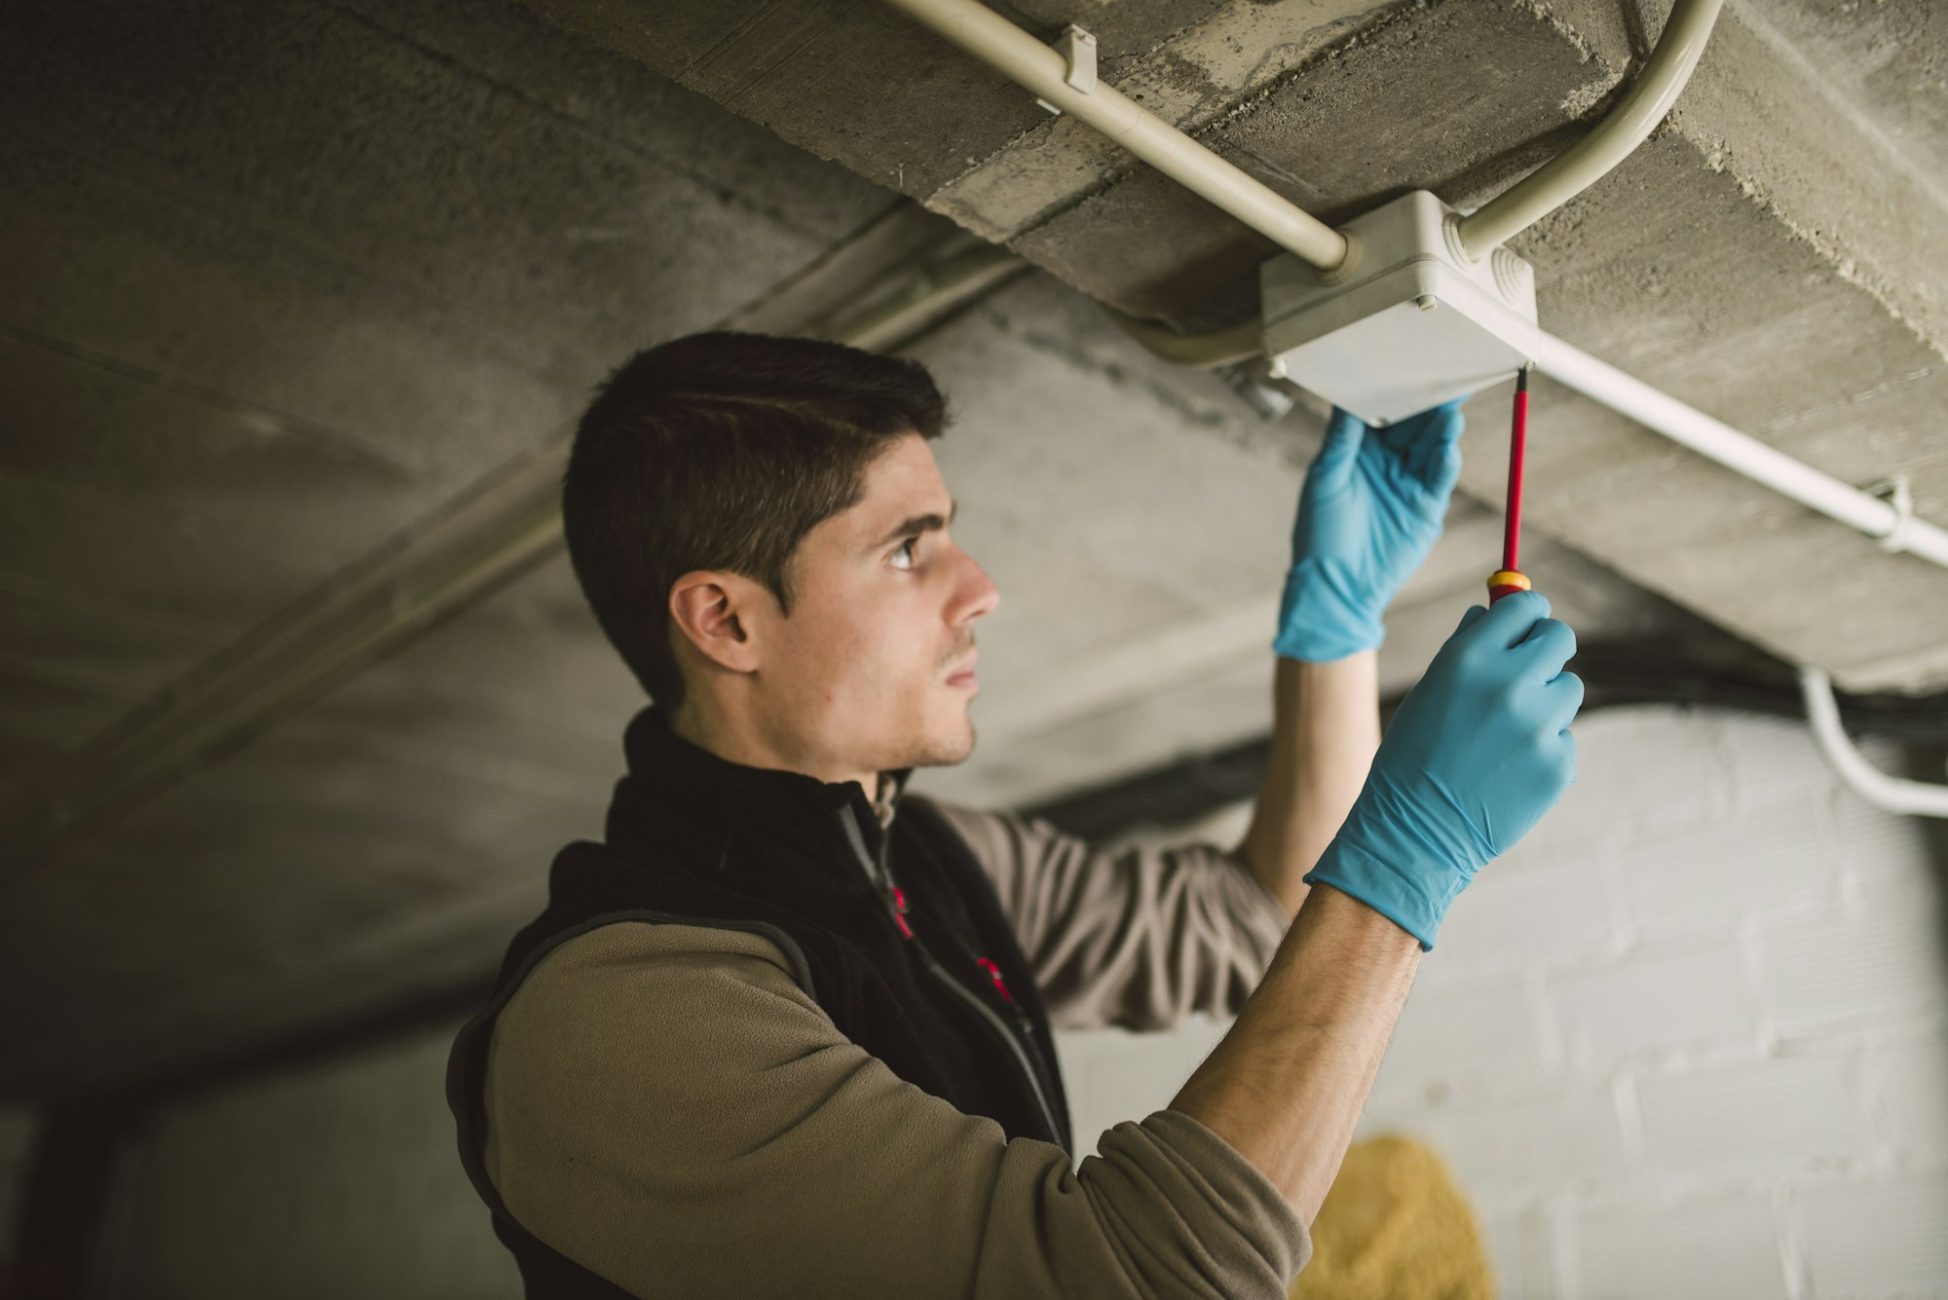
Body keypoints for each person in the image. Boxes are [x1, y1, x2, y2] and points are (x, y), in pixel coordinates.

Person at [445, 331, 1582, 1298]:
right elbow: (1131, 1278)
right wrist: (1411, 854)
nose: (978, 585)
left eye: (945, 527)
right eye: (907, 547)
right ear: (726, 622)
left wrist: (1337, 628)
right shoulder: (621, 1018)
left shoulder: (924, 853)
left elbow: (1246, 922)